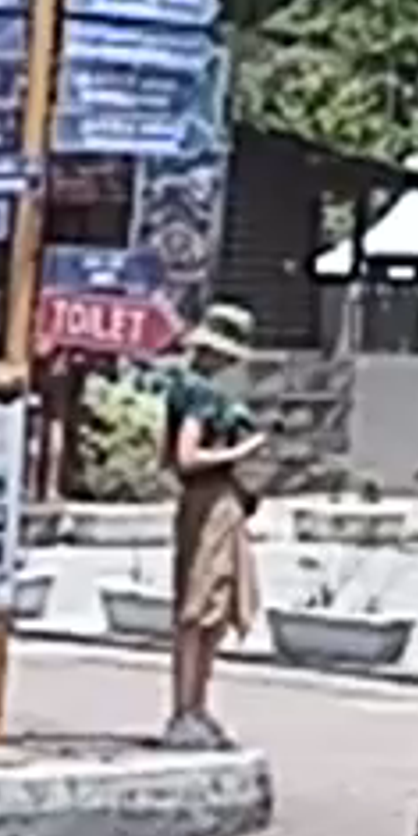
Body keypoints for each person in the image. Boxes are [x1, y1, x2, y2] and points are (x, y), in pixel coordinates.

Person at [163, 302, 262, 747]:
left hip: (221, 501)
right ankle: (186, 707)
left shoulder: (201, 391)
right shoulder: (199, 396)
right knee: (199, 607)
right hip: (208, 500)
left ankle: (195, 706)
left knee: (213, 607)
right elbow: (187, 457)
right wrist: (240, 454)